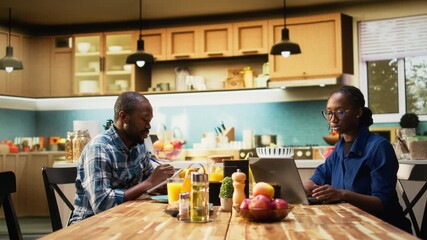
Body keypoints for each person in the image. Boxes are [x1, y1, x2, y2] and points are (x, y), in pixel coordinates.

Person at [303, 86, 412, 233]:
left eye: (340, 112)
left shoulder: (379, 147)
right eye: (329, 113)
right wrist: (302, 188)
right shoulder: (339, 149)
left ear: (358, 112)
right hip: (352, 226)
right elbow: (317, 179)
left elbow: (382, 203)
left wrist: (342, 195)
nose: (333, 119)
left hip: (384, 230)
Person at [69, 91, 175, 224]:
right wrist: (150, 182)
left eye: (150, 121)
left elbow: (150, 185)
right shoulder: (99, 148)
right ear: (124, 117)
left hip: (124, 219)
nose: (148, 126)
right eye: (144, 120)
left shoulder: (138, 145)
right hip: (90, 225)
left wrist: (166, 183)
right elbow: (101, 204)